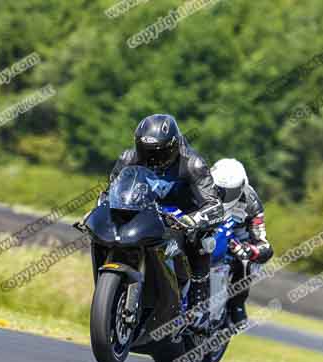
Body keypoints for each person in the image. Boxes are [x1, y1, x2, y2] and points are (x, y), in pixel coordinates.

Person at [109, 114, 224, 327]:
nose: (152, 159)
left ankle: (198, 307)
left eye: (158, 153)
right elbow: (111, 190)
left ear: (172, 146)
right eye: (146, 152)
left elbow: (214, 205)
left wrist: (193, 220)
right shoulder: (128, 158)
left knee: (202, 242)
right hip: (146, 212)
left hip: (184, 216)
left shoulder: (193, 164)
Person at [210, 158, 273, 325]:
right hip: (205, 232)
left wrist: (251, 250)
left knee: (247, 261)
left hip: (235, 239)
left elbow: (263, 243)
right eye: (219, 190)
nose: (223, 196)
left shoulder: (251, 201)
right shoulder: (199, 188)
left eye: (230, 192)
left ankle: (237, 303)